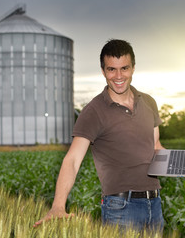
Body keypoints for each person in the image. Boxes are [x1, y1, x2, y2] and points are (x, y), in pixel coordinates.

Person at [34, 39, 166, 232]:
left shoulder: (148, 102)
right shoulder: (93, 111)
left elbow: (156, 146)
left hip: (155, 204)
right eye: (111, 69)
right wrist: (58, 206)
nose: (118, 76)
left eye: (124, 68)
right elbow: (72, 160)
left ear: (133, 68)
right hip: (121, 208)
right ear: (103, 71)